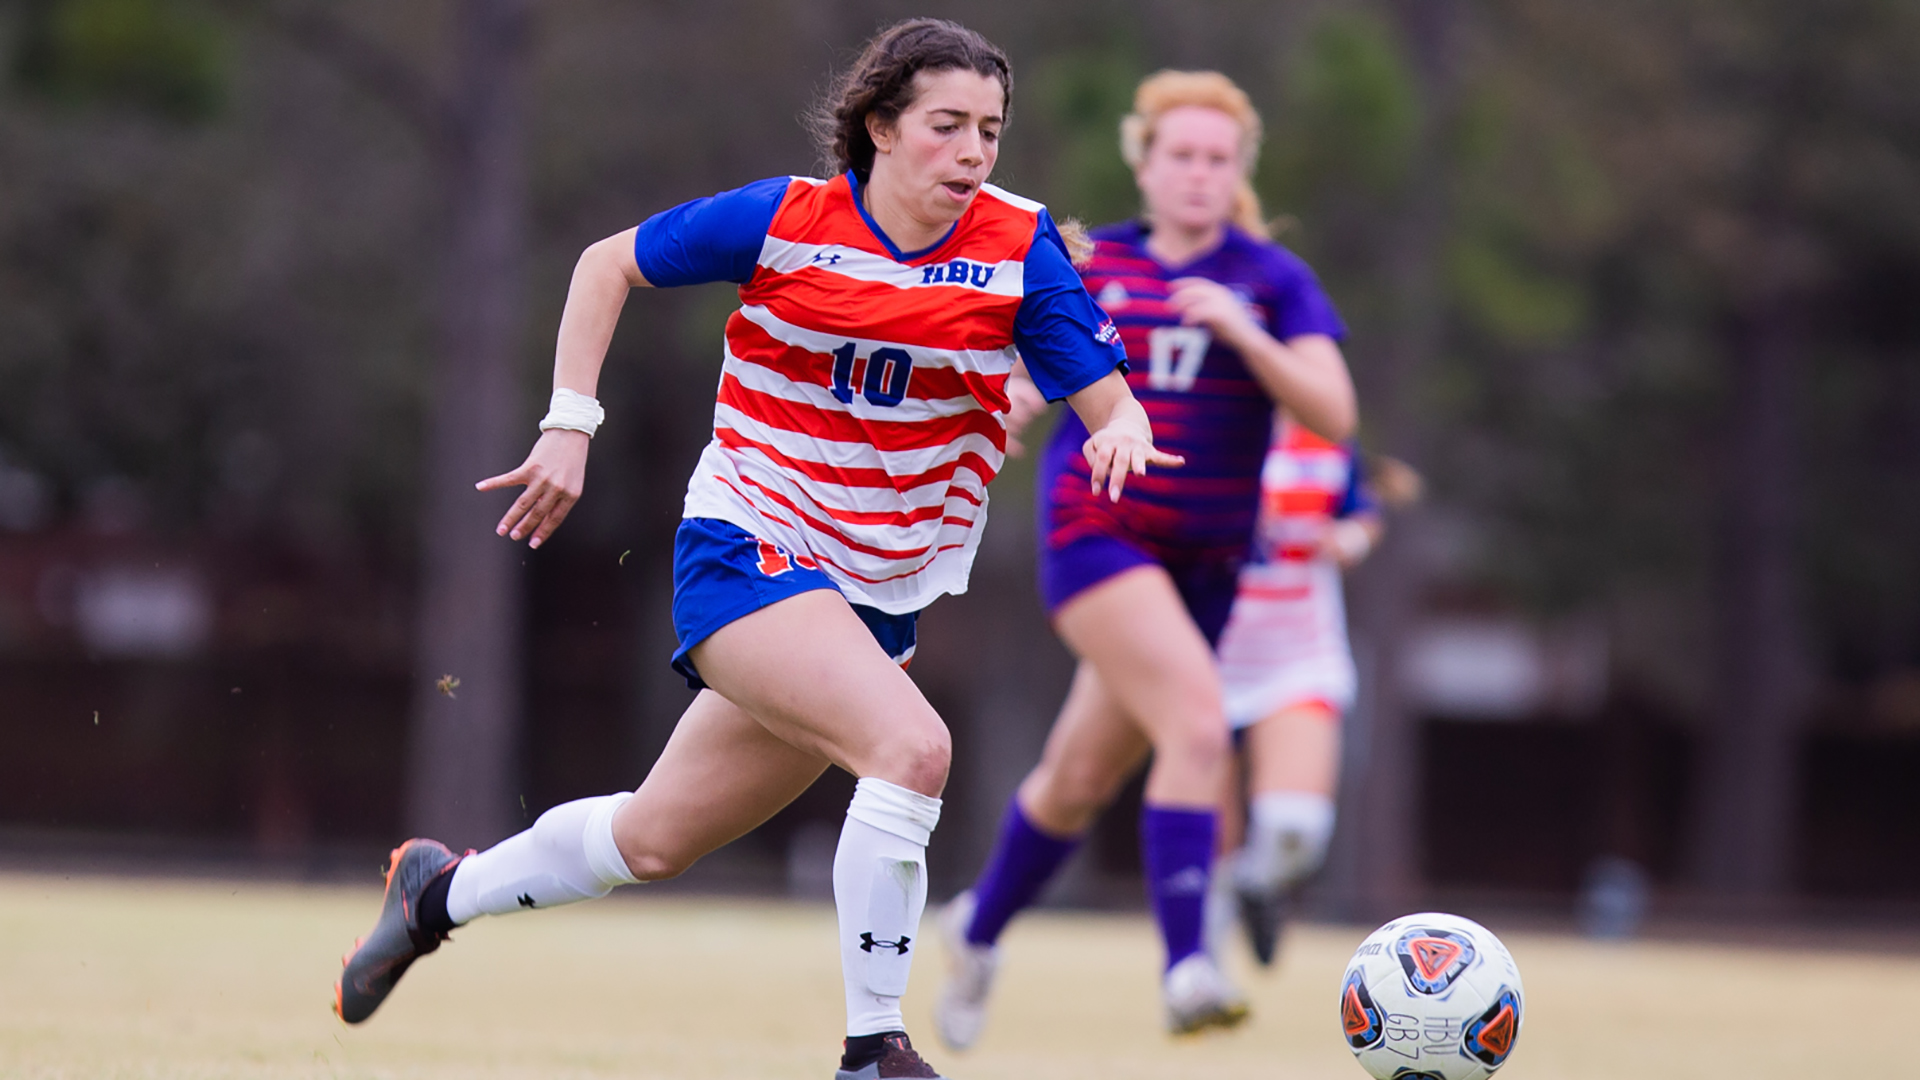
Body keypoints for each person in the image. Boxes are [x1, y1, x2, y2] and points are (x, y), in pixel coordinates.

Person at [330, 20, 1178, 1080]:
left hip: (875, 594)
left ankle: (436, 895)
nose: (974, 153)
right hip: (751, 544)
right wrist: (568, 422)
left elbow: (1101, 391)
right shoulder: (786, 219)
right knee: (913, 752)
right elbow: (605, 267)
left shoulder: (1016, 246)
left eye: (991, 131)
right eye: (947, 126)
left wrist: (1124, 421)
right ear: (879, 126)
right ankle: (875, 1046)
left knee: (651, 842)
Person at [933, 70, 1356, 1048]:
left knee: (1078, 779)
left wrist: (1246, 334)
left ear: (1239, 171)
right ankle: (1186, 968)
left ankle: (977, 928)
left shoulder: (1269, 280)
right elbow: (1027, 380)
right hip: (1099, 537)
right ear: (1146, 163)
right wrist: (998, 422)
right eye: (1182, 156)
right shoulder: (1096, 262)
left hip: (1208, 570)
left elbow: (1334, 414)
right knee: (1200, 727)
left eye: (1219, 159)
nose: (1199, 175)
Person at [1206, 416, 1383, 969]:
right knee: (1205, 837)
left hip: (1297, 655)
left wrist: (1349, 539)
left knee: (1295, 826)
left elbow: (1363, 511)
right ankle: (1200, 977)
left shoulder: (1326, 433)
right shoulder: (1204, 419)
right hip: (1203, 648)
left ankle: (1257, 885)